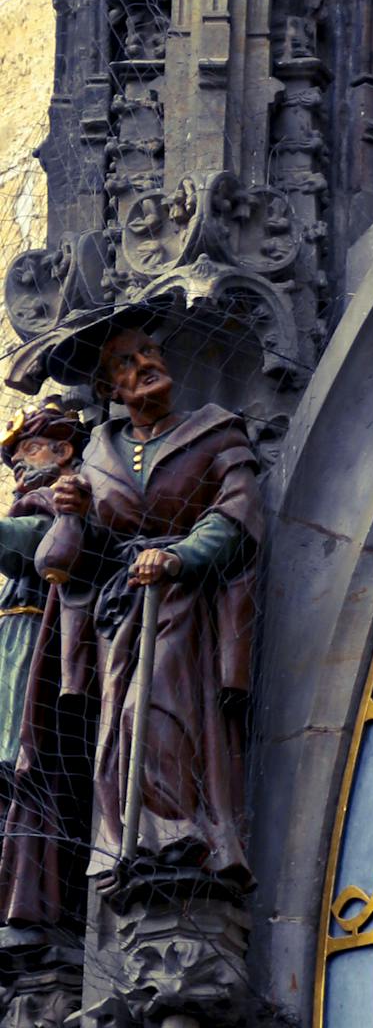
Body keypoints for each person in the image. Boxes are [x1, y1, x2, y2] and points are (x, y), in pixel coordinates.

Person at [42, 315, 262, 886]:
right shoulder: (97, 454)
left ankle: (180, 829)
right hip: (121, 611)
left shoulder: (216, 431)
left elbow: (237, 513)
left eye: (149, 352)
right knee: (118, 723)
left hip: (185, 602)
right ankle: (130, 838)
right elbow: (81, 559)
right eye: (126, 361)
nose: (145, 364)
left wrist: (179, 556)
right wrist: (74, 513)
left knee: (160, 706)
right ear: (108, 389)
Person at [0, 405, 90, 927]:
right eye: (13, 458)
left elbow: (30, 546)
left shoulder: (63, 499)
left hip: (40, 646)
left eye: (28, 450)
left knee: (27, 762)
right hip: (15, 643)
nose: (18, 464)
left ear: (64, 451)